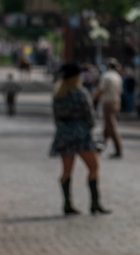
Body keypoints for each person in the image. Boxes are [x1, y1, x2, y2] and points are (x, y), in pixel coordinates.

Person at [50, 62, 110, 215]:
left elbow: (56, 117)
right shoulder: (80, 93)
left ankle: (67, 203)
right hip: (81, 134)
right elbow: (90, 116)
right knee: (93, 167)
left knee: (66, 171)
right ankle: (95, 203)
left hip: (64, 134)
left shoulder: (58, 95)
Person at [94, 59, 124, 157]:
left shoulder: (106, 76)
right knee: (107, 127)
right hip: (116, 102)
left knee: (111, 126)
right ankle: (100, 148)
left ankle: (118, 150)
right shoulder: (118, 77)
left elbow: (101, 90)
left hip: (108, 103)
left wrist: (93, 99)